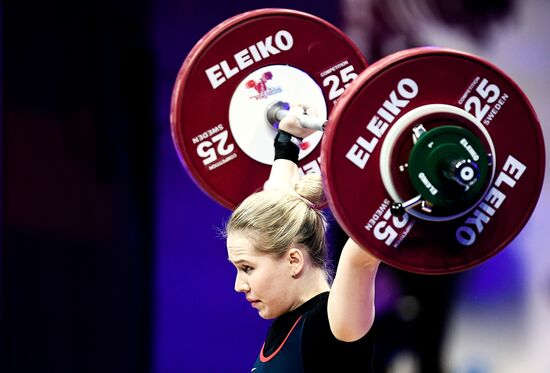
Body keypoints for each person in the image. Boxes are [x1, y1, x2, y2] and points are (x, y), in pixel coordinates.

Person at [225, 106, 381, 372]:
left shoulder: (335, 323)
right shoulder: (288, 322)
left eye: (247, 268)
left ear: (294, 260)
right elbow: (280, 197)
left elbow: (362, 256)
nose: (239, 285)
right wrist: (287, 141)